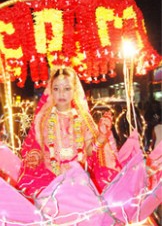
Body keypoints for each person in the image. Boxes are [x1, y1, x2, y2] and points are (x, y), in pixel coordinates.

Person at [17, 66, 121, 197]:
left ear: (74, 91)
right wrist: (34, 157)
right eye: (56, 89)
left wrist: (100, 137)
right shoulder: (42, 119)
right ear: (50, 91)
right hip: (50, 179)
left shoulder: (83, 118)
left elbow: (90, 151)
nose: (61, 93)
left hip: (80, 178)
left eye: (67, 89)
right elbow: (36, 147)